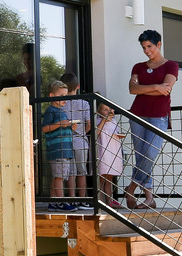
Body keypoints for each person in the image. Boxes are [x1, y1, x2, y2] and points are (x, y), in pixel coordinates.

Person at [123, 29, 178, 209]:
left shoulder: (171, 66)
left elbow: (167, 89)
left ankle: (130, 189)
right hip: (137, 114)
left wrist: (145, 87)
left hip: (159, 117)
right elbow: (133, 89)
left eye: (150, 46)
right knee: (141, 156)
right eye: (144, 47)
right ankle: (149, 198)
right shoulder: (138, 67)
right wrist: (155, 86)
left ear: (159, 44)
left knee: (149, 154)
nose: (147, 50)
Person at [40, 80, 80, 212]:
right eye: (61, 95)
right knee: (59, 176)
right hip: (57, 150)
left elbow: (61, 127)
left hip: (65, 149)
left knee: (57, 175)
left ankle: (53, 201)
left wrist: (71, 128)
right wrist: (61, 124)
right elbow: (45, 128)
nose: (65, 99)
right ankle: (61, 201)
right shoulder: (51, 110)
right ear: (52, 96)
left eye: (66, 95)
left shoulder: (61, 111)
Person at [59, 72, 92, 204]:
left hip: (66, 140)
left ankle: (72, 199)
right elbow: (89, 124)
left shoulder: (60, 103)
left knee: (71, 172)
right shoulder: (84, 103)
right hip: (80, 141)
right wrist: (83, 132)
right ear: (77, 86)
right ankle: (82, 199)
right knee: (81, 171)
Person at [94, 102, 126, 206]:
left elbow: (115, 132)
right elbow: (96, 133)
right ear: (99, 112)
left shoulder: (114, 121)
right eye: (105, 110)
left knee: (110, 177)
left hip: (113, 151)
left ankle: (109, 200)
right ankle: (100, 201)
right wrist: (103, 120)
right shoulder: (98, 121)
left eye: (110, 109)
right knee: (101, 177)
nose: (108, 112)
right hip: (103, 151)